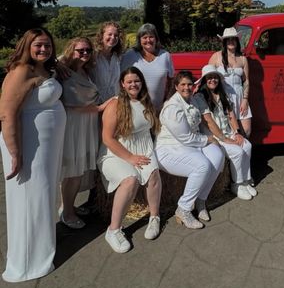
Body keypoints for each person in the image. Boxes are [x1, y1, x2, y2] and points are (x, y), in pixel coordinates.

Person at [0, 28, 66, 282]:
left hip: (46, 147)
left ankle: (42, 248)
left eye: (48, 45)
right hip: (27, 145)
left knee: (44, 194)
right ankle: (27, 261)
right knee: (31, 198)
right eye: (38, 45)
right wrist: (15, 152)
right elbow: (7, 114)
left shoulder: (45, 70)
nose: (43, 49)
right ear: (27, 45)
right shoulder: (21, 71)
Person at [98, 67, 162, 253]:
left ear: (141, 82)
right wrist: (130, 158)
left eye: (137, 81)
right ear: (122, 84)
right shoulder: (115, 104)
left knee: (154, 175)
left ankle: (154, 217)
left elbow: (153, 128)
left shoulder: (145, 101)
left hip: (144, 148)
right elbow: (107, 138)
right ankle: (113, 230)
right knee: (130, 180)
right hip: (117, 151)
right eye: (129, 82)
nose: (134, 84)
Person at [156, 71, 224, 229]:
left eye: (189, 84)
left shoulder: (192, 99)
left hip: (191, 144)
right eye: (183, 84)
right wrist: (208, 138)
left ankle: (201, 200)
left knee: (217, 156)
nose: (187, 87)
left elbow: (201, 123)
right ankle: (184, 209)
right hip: (170, 148)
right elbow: (185, 138)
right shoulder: (173, 107)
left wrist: (212, 138)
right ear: (176, 87)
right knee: (202, 166)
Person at [59, 37, 112, 229]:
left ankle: (68, 205)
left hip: (87, 124)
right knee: (72, 172)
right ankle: (67, 214)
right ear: (71, 50)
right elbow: (70, 105)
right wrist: (100, 108)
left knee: (79, 170)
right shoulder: (63, 69)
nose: (84, 54)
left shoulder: (86, 70)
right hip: (74, 125)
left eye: (88, 51)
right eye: (80, 50)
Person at [194, 65, 257, 202]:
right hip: (214, 136)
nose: (213, 80)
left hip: (228, 132)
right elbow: (208, 122)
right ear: (204, 80)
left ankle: (246, 180)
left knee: (247, 146)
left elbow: (231, 114)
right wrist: (225, 139)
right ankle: (237, 184)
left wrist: (237, 132)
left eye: (215, 77)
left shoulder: (223, 93)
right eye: (209, 77)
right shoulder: (200, 97)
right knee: (237, 152)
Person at [209, 27, 252, 138]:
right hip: (223, 96)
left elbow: (246, 80)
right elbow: (208, 76)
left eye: (233, 39)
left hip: (239, 96)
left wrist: (245, 99)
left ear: (237, 41)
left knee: (246, 130)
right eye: (228, 39)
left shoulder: (242, 59)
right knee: (228, 130)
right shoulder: (216, 57)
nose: (231, 41)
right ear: (224, 42)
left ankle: (244, 151)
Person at [121, 23, 174, 113]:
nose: (148, 40)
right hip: (135, 110)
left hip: (159, 110)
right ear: (139, 40)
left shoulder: (165, 55)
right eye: (144, 37)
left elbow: (171, 80)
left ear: (156, 38)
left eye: (151, 37)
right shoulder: (130, 55)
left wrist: (167, 100)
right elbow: (121, 79)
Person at [90, 21, 125, 102]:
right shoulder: (92, 55)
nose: (113, 37)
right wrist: (58, 64)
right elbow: (67, 57)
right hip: (96, 104)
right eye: (109, 34)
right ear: (101, 36)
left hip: (115, 103)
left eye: (116, 35)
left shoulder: (118, 57)